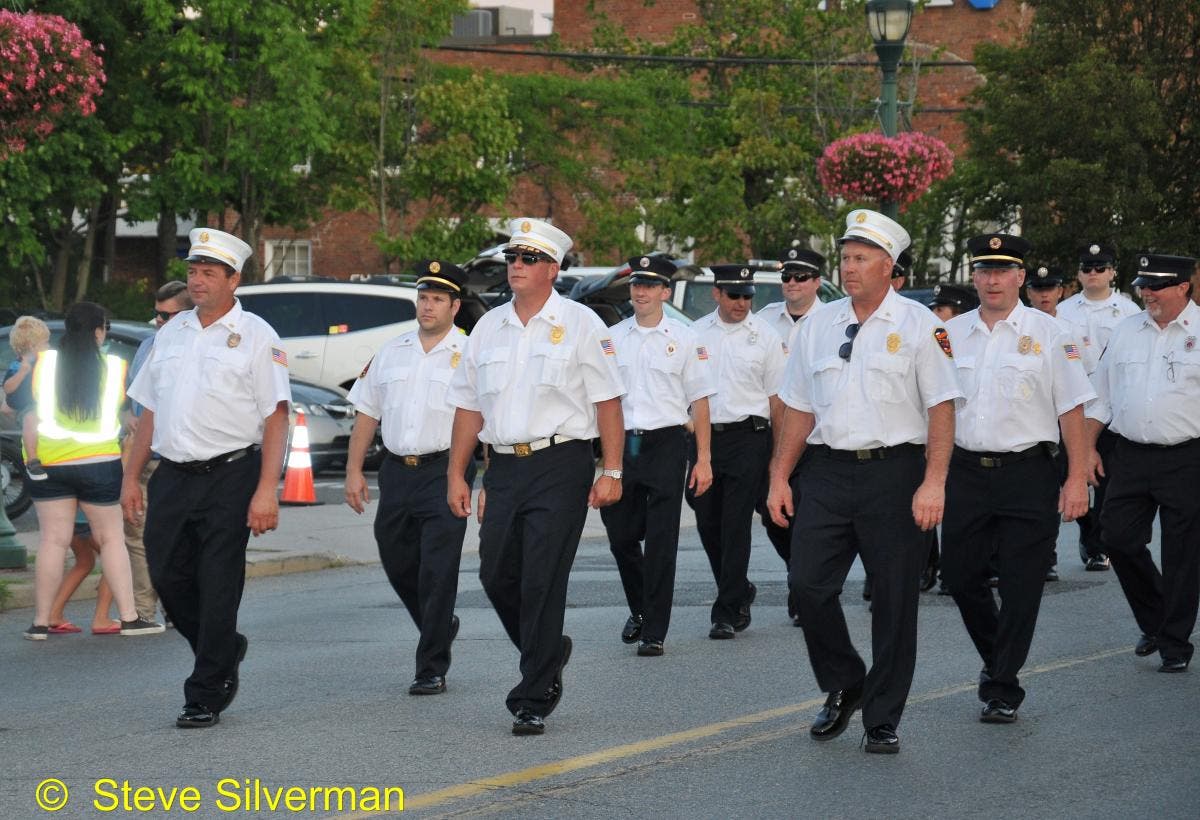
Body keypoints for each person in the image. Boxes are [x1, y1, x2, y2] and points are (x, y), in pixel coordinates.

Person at [766, 209, 961, 754]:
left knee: (894, 601)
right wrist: (779, 476)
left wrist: (934, 482)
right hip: (826, 471)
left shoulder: (921, 326)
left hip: (895, 474)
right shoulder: (819, 325)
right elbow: (798, 407)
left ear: (889, 265)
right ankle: (846, 680)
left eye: (860, 258)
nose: (848, 268)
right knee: (807, 585)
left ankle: (882, 716)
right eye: (845, 257)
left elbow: (942, 408)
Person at [446, 218, 625, 736]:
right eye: (512, 257)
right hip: (504, 466)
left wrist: (612, 470)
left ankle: (533, 695)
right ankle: (545, 649)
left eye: (528, 258)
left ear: (552, 268)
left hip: (560, 463)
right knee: (496, 575)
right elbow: (469, 407)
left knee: (542, 577)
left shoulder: (581, 324)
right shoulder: (488, 327)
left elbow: (608, 401)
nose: (516, 266)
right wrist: (459, 475)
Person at [121, 228, 291, 729]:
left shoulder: (257, 335)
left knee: (217, 583)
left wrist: (267, 490)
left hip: (232, 474)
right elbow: (149, 411)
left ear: (233, 280)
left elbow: (276, 417)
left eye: (208, 273)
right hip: (173, 475)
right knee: (167, 575)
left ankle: (205, 691)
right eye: (193, 271)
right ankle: (223, 649)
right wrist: (131, 478)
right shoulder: (171, 333)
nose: (197, 280)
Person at [940, 234, 1095, 724]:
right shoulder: (948, 334)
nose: (992, 280)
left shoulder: (1051, 334)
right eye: (984, 270)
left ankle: (1002, 685)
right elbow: (934, 406)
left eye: (1003, 270)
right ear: (974, 276)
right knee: (959, 576)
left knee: (1021, 584)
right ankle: (997, 658)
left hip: (1029, 472)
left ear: (1021, 277)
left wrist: (1076, 478)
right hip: (965, 471)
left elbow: (1072, 409)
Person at [344, 260, 473, 695]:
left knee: (438, 571)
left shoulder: (469, 353)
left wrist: (481, 480)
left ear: (454, 306)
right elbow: (367, 412)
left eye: (437, 299)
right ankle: (439, 624)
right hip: (397, 471)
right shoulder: (391, 351)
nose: (427, 306)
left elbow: (484, 419)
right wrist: (353, 471)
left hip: (445, 471)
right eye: (423, 298)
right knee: (397, 559)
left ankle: (431, 666)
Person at [1085, 252, 1200, 673]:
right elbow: (1101, 397)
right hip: (1130, 453)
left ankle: (1174, 644)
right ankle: (1156, 619)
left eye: (1155, 286)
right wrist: (1087, 448)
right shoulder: (1126, 331)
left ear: (1182, 286)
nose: (1146, 293)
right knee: (1117, 537)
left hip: (1187, 456)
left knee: (1182, 555)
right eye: (1143, 286)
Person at [23, 302, 160, 641]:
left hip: (51, 463)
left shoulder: (45, 364)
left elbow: (28, 412)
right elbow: (122, 410)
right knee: (111, 538)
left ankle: (40, 623)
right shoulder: (114, 367)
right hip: (98, 463)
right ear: (99, 331)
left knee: (53, 540)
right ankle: (129, 618)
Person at [602, 255, 714, 656]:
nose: (642, 292)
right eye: (637, 284)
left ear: (666, 292)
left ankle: (654, 631)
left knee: (662, 540)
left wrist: (704, 458)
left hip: (667, 442)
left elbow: (700, 401)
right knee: (621, 535)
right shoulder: (611, 338)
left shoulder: (685, 338)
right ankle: (640, 607)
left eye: (650, 285)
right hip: (624, 444)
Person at [689, 264, 786, 640]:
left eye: (747, 296)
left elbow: (777, 401)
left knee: (735, 524)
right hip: (704, 440)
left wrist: (778, 458)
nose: (742, 303)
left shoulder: (765, 336)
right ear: (717, 294)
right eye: (734, 295)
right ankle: (739, 587)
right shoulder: (695, 333)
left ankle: (726, 611)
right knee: (707, 521)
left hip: (749, 438)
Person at [1057, 243, 1140, 571]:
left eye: (1100, 268)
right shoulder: (1064, 311)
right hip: (1072, 406)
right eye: (1087, 268)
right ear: (1079, 274)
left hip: (1113, 408)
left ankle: (1098, 546)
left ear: (1112, 273)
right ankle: (1088, 526)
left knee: (1107, 480)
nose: (1093, 274)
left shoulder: (1129, 311)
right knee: (1067, 474)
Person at [754, 245, 826, 623]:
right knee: (772, 515)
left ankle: (803, 587)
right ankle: (796, 567)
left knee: (807, 513)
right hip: (774, 432)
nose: (792, 283)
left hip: (815, 434)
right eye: (786, 276)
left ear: (817, 282)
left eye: (801, 277)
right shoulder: (764, 320)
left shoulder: (831, 320)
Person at [122, 280, 194, 628]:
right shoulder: (148, 346)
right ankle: (144, 611)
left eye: (168, 316)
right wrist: (128, 417)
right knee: (138, 536)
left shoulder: (198, 349)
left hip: (179, 459)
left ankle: (177, 607)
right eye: (157, 315)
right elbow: (133, 398)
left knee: (179, 535)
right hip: (142, 454)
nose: (160, 322)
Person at [4, 315, 51, 480]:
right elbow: (8, 387)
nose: (49, 346)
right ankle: (32, 460)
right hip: (24, 405)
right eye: (45, 343)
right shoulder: (19, 364)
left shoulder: (44, 360)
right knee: (30, 419)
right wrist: (23, 372)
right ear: (33, 346)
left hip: (38, 402)